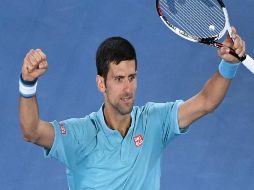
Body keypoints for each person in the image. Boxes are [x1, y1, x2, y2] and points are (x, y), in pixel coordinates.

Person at [19, 27, 245, 190]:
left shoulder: (155, 121)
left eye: (131, 77)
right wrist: (27, 84)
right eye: (118, 79)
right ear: (101, 83)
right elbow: (32, 132)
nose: (128, 89)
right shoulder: (80, 135)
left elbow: (206, 102)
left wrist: (228, 64)